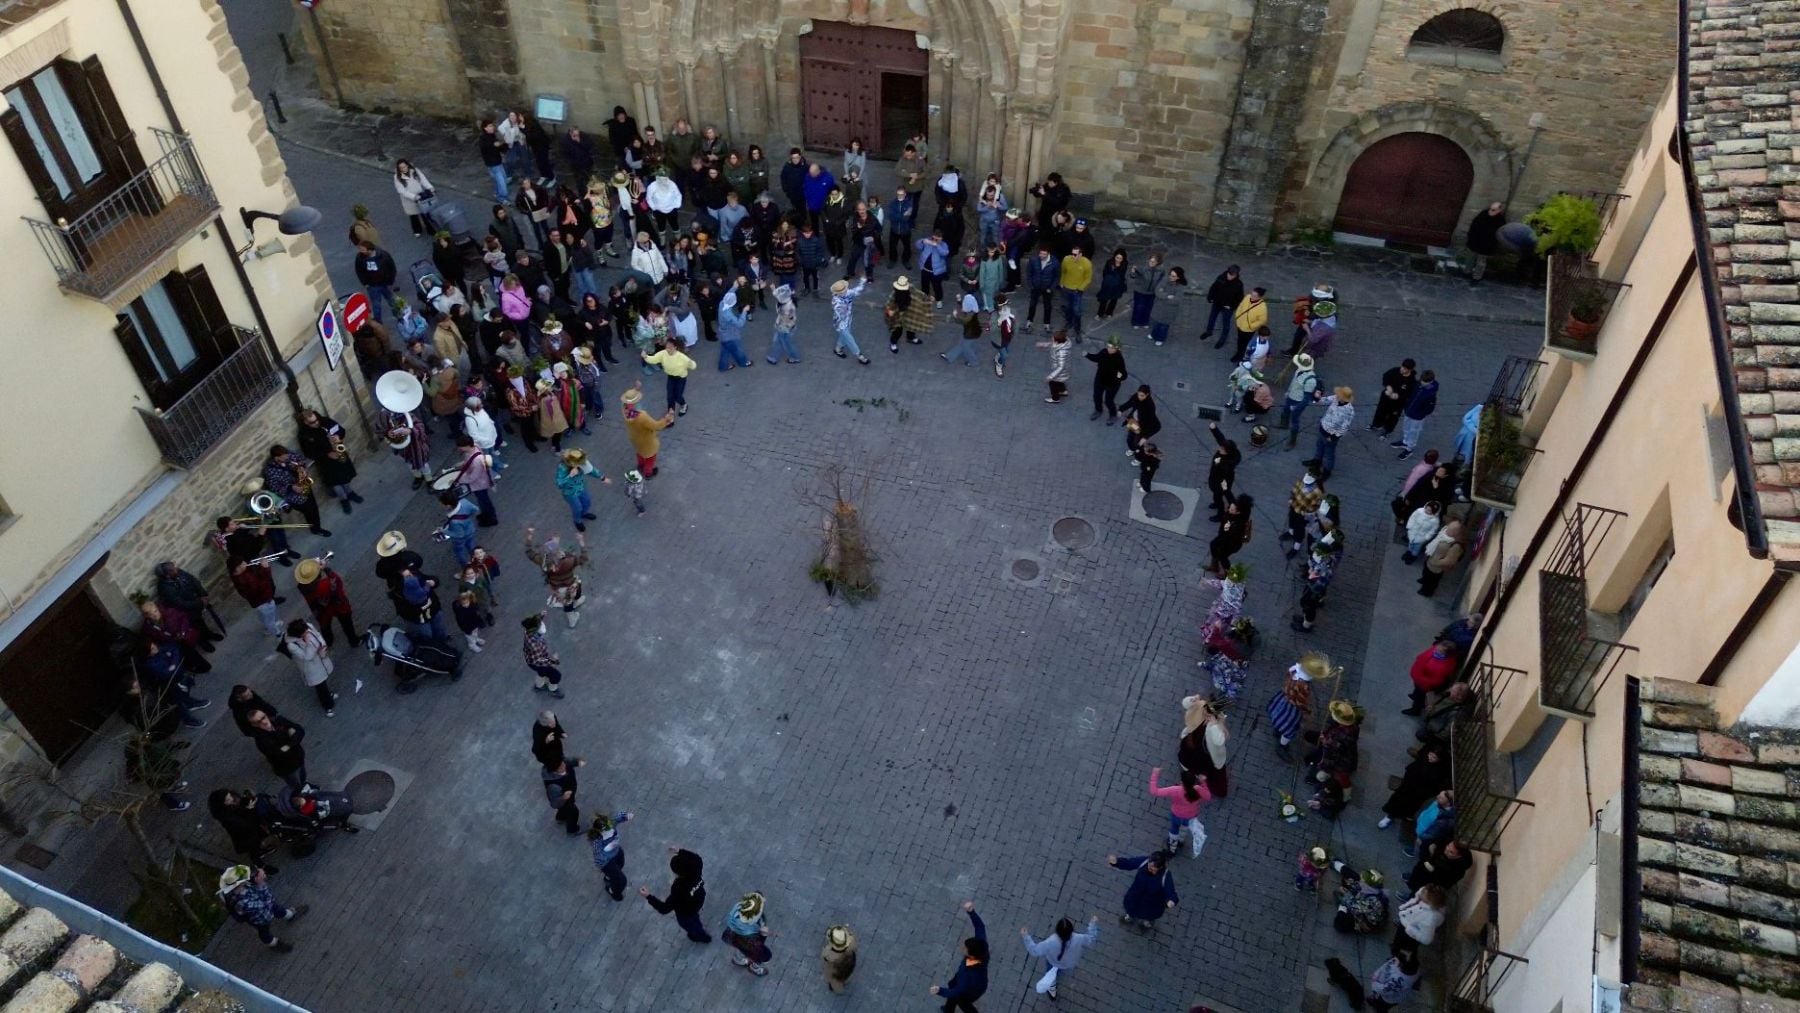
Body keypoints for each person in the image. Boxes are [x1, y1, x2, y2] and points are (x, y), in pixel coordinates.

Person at [219, 865, 306, 952]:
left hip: (262, 911)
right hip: (260, 918)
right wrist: (261, 883)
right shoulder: (244, 902)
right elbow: (267, 903)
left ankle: (290, 915)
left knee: (278, 910)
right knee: (264, 931)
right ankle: (273, 943)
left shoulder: (240, 889)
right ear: (239, 884)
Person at [296, 410, 364, 514]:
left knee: (345, 475)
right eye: (312, 422)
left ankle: (350, 493)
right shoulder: (304, 434)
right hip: (325, 461)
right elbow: (308, 452)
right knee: (335, 482)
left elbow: (341, 430)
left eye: (317, 420)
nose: (317, 423)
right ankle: (343, 499)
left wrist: (338, 436)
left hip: (339, 452)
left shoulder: (325, 421)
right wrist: (327, 453)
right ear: (305, 422)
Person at [640, 847, 711, 943]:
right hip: (699, 898)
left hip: (686, 912)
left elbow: (664, 908)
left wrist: (648, 896)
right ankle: (699, 931)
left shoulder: (679, 888)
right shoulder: (697, 868)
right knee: (694, 918)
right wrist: (680, 851)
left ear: (677, 873)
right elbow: (696, 858)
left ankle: (701, 936)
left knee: (691, 925)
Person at [1021, 915, 1099, 1000]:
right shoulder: (1079, 938)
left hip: (1053, 962)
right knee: (1060, 971)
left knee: (1051, 975)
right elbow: (1091, 939)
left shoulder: (1051, 941)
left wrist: (1026, 936)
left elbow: (1034, 951)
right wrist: (1093, 924)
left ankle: (1052, 989)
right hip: (1069, 964)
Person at [523, 527, 589, 628]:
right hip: (570, 585)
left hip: (557, 588)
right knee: (568, 603)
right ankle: (572, 619)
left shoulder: (544, 561)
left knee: (567, 599)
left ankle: (576, 602)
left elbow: (529, 553)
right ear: (558, 551)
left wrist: (529, 536)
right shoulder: (568, 561)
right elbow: (584, 558)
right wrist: (581, 541)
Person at [930, 901, 988, 1011]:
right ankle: (948, 1009)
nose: (962, 948)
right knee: (952, 984)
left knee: (963, 1003)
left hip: (972, 990)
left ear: (972, 956)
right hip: (966, 981)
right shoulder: (981, 946)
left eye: (965, 949)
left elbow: (956, 992)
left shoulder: (970, 976)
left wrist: (939, 990)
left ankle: (949, 1010)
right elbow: (980, 927)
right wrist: (971, 912)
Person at [280, 619, 345, 716]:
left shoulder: (307, 626)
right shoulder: (291, 645)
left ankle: (328, 694)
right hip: (311, 667)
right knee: (320, 686)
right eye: (305, 633)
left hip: (320, 659)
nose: (308, 632)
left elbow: (318, 635)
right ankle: (327, 706)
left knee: (323, 681)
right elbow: (307, 657)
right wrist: (309, 644)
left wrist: (323, 645)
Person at [1380, 743, 1449, 832]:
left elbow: (1436, 785)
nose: (1430, 758)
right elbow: (1411, 770)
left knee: (1411, 805)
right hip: (1408, 787)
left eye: (1434, 757)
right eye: (1430, 754)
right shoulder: (1423, 760)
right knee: (1398, 802)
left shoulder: (1439, 771)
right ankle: (1390, 816)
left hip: (1420, 793)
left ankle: (1406, 814)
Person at [263, 446, 330, 538]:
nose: (287, 458)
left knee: (313, 508)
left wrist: (301, 467)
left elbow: (300, 459)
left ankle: (315, 527)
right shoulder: (270, 471)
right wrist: (291, 487)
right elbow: (274, 488)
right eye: (284, 457)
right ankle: (316, 529)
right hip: (294, 497)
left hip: (304, 485)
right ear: (276, 457)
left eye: (287, 455)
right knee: (309, 511)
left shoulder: (289, 456)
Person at [1268, 652, 1328, 747]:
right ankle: (1282, 745)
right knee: (1289, 727)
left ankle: (1278, 730)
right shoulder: (1303, 686)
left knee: (1280, 717)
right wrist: (1307, 713)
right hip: (1292, 707)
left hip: (1284, 698)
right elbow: (1300, 703)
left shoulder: (1295, 669)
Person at [1108, 851, 1178, 931]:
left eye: (1153, 869)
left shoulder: (1166, 876)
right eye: (1149, 866)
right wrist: (1117, 861)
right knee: (1131, 908)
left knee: (1150, 915)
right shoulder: (1144, 861)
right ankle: (1129, 916)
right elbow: (1129, 863)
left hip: (1151, 904)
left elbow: (1170, 892)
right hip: (1135, 896)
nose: (1149, 869)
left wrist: (1171, 901)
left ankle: (1147, 922)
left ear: (1160, 868)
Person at [1150, 765, 1210, 853]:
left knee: (1174, 829)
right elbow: (1208, 796)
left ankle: (1172, 847)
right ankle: (1181, 841)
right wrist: (1203, 782)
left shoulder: (1175, 790)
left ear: (1182, 781)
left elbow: (1154, 791)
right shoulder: (1198, 790)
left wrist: (1155, 774)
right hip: (1190, 816)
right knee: (1184, 828)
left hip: (1176, 815)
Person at [246, 709, 308, 792]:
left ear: (266, 714)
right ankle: (300, 792)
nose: (264, 722)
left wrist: (289, 745)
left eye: (263, 717)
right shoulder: (261, 741)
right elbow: (281, 755)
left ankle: (304, 785)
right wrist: (292, 736)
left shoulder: (279, 720)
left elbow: (300, 730)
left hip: (299, 756)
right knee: (295, 784)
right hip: (287, 768)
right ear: (254, 725)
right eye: (258, 722)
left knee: (302, 775)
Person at [621, 386, 676, 477]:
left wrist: (636, 389)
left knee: (640, 452)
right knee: (650, 457)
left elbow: (628, 399)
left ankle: (641, 465)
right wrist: (667, 418)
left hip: (635, 438)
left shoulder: (624, 410)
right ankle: (648, 473)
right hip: (646, 441)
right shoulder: (642, 417)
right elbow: (656, 426)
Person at [1305, 386, 1356, 479]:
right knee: (1319, 446)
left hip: (1331, 435)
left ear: (1344, 398)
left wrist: (1333, 437)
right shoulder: (1335, 398)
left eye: (1339, 395)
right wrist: (1317, 397)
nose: (1336, 396)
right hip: (1323, 428)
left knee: (1329, 454)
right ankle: (1316, 461)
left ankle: (1327, 471)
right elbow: (1323, 400)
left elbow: (1344, 427)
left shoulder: (1349, 411)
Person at [555, 449, 610, 532]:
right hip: (570, 493)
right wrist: (570, 475)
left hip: (581, 487)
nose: (582, 464)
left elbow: (590, 470)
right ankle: (577, 521)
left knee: (587, 502)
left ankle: (584, 514)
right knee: (577, 508)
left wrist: (602, 477)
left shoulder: (580, 461)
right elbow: (559, 484)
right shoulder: (562, 468)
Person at [722, 891, 774, 976]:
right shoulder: (755, 926)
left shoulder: (737, 909)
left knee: (739, 948)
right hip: (749, 943)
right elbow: (759, 942)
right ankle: (755, 968)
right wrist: (764, 934)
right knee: (763, 956)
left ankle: (738, 960)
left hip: (733, 936)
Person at [1391, 885, 1447, 962]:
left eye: (1424, 892)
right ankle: (1396, 948)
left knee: (1405, 947)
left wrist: (1409, 929)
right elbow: (1420, 893)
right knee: (1398, 940)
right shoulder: (1426, 903)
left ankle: (1398, 958)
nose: (1422, 891)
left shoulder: (1430, 918)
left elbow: (1427, 939)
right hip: (1408, 923)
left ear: (1430, 902)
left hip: (1411, 934)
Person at [588, 809, 635, 901]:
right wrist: (608, 849)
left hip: (616, 852)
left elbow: (618, 817)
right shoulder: (597, 842)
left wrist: (626, 816)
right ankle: (612, 891)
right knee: (621, 881)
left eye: (610, 829)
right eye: (607, 831)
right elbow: (598, 857)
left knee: (621, 864)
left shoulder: (610, 825)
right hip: (606, 862)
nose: (611, 832)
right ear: (600, 832)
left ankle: (608, 877)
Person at [1331, 866, 1390, 935]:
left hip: (1364, 920)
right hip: (1362, 904)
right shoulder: (1372, 888)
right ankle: (1336, 863)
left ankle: (1341, 907)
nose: (1361, 880)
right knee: (1351, 876)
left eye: (1363, 881)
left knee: (1339, 924)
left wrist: (1346, 895)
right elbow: (1358, 886)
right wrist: (1350, 885)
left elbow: (1353, 906)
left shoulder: (1372, 901)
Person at [1405, 639, 1459, 715]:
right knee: (1417, 691)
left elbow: (1436, 681)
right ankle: (1416, 696)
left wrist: (1422, 682)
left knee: (1419, 695)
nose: (1436, 650)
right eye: (1437, 648)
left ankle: (1416, 710)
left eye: (1439, 650)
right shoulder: (1436, 651)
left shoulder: (1444, 667)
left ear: (1446, 654)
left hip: (1423, 684)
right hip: (1419, 680)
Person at [1395, 369, 1439, 460]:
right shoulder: (1419, 384)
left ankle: (1410, 448)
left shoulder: (1430, 394)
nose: (1422, 383)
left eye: (1425, 382)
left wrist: (1421, 414)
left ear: (1431, 381)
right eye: (1422, 381)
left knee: (1414, 431)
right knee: (1406, 427)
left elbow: (1429, 408)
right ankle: (1405, 441)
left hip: (1417, 416)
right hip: (1409, 410)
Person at [1282, 353, 1322, 450]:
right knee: (1285, 410)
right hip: (1291, 396)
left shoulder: (1311, 380)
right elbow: (1293, 381)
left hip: (1298, 402)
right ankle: (1283, 424)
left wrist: (1297, 407)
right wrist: (1288, 391)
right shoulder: (1299, 370)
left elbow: (1306, 398)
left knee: (1295, 421)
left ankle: (1292, 441)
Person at [1205, 493, 1253, 575]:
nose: (1229, 509)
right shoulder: (1234, 512)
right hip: (1223, 536)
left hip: (1232, 543)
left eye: (1231, 509)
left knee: (1222, 555)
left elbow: (1229, 533)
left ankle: (1226, 572)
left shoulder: (1238, 523)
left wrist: (1228, 519)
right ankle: (1214, 565)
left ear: (1238, 512)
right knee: (1213, 545)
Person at [1418, 518, 1466, 597]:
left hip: (1436, 567)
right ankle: (1424, 580)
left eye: (1450, 530)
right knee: (1426, 571)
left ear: (1456, 533)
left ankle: (1427, 591)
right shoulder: (1443, 533)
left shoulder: (1456, 546)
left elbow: (1449, 561)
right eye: (1448, 527)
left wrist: (1435, 562)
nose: (1447, 529)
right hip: (1430, 558)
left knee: (1432, 580)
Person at [1371, 359, 1419, 436]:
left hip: (1398, 403)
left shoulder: (1412, 382)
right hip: (1386, 397)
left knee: (1393, 416)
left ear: (1410, 370)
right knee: (1380, 410)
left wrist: (1398, 397)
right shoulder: (1395, 371)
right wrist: (1388, 386)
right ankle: (1376, 424)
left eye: (1405, 369)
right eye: (1402, 367)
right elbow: (1385, 377)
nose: (1402, 369)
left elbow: (1409, 395)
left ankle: (1388, 430)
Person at [885, 275, 932, 353]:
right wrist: (890, 311)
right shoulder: (895, 293)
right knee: (897, 330)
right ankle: (893, 342)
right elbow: (888, 304)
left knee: (912, 325)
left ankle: (910, 338)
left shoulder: (911, 288)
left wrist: (927, 297)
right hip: (899, 313)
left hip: (909, 310)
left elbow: (919, 293)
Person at [830, 278, 872, 364]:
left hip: (848, 319)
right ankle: (860, 356)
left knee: (844, 336)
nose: (846, 291)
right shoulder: (836, 302)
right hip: (841, 323)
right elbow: (841, 313)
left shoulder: (846, 293)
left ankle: (838, 349)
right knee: (850, 339)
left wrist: (862, 281)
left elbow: (856, 291)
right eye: (844, 291)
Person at [1086, 339, 1127, 422]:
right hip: (1100, 379)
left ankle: (1113, 415)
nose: (1109, 349)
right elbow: (1097, 358)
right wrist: (1087, 355)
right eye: (1109, 347)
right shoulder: (1104, 352)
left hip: (1112, 383)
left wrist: (1117, 376)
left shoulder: (1119, 359)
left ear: (1117, 349)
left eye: (1112, 348)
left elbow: (1123, 375)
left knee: (1108, 401)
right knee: (1096, 396)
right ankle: (1098, 410)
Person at [1201, 265, 1244, 344]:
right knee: (1211, 318)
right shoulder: (1221, 277)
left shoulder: (1238, 284)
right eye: (1229, 274)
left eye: (1232, 276)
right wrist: (1210, 298)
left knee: (1226, 323)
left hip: (1227, 307)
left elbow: (1239, 299)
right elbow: (1213, 288)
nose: (1230, 277)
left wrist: (1231, 306)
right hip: (1217, 303)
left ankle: (1223, 338)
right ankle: (1209, 331)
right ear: (1227, 271)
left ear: (1236, 275)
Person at [1205, 422, 1240, 519]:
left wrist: (1218, 462)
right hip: (1216, 478)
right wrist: (1214, 428)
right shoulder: (1229, 450)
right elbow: (1220, 438)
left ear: (1227, 452)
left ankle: (1220, 514)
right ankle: (1221, 503)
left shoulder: (1228, 462)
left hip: (1222, 481)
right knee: (1222, 493)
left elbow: (1223, 471)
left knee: (1220, 494)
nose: (1219, 448)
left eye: (1222, 448)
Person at [542, 755, 583, 835]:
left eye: (563, 764)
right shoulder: (553, 787)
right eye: (561, 768)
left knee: (564, 809)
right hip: (564, 799)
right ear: (555, 771)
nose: (564, 766)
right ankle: (572, 830)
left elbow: (567, 761)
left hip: (569, 792)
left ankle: (561, 818)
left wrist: (577, 762)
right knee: (573, 812)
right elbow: (554, 803)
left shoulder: (560, 762)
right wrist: (563, 797)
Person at [392, 159, 435, 237]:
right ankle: (417, 230)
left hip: (420, 196)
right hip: (409, 200)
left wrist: (430, 187)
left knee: (424, 214)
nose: (403, 169)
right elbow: (401, 190)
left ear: (407, 165)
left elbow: (423, 180)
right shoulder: (397, 177)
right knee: (413, 216)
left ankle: (430, 229)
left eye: (404, 167)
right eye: (401, 168)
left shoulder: (415, 171)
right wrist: (414, 197)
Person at [1467, 201, 1506, 284]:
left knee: (1481, 262)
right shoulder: (1483, 214)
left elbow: (1499, 234)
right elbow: (1474, 225)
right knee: (1470, 258)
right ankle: (1467, 272)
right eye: (1491, 209)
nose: (1491, 211)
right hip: (1475, 241)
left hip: (1487, 245)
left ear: (1499, 210)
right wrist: (1471, 237)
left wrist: (1493, 244)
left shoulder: (1500, 220)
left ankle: (1476, 277)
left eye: (1494, 210)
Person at [1058, 246, 1092, 337]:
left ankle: (1077, 330)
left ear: (1080, 254)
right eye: (1072, 253)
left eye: (1075, 254)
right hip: (1066, 288)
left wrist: (1080, 288)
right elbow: (1063, 271)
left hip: (1077, 290)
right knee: (1068, 308)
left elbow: (1088, 279)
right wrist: (1061, 282)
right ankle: (1069, 322)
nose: (1072, 256)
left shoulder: (1087, 263)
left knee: (1077, 311)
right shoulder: (1066, 259)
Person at [1230, 286, 1268, 360]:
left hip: (1249, 330)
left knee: (1245, 344)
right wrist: (1237, 316)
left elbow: (1262, 320)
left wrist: (1251, 326)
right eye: (1252, 294)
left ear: (1259, 297)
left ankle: (1242, 357)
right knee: (1239, 341)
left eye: (1254, 296)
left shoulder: (1262, 307)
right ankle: (1238, 354)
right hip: (1240, 325)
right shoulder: (1247, 297)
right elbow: (1241, 306)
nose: (1251, 296)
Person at [1039, 327, 1073, 403]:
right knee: (1060, 381)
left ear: (1057, 341)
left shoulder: (1061, 352)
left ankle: (1055, 398)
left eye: (1053, 338)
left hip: (1060, 371)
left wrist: (1051, 376)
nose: (1051, 338)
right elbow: (1052, 344)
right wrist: (1044, 345)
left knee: (1053, 383)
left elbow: (1061, 367)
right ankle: (1063, 391)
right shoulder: (1063, 343)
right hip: (1064, 371)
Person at [822, 924, 858, 994]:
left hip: (837, 971)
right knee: (847, 975)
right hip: (850, 964)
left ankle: (838, 991)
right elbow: (855, 948)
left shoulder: (828, 954)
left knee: (835, 982)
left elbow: (827, 967)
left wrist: (828, 978)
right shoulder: (852, 942)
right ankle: (847, 980)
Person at [1096, 249, 1129, 319]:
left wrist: (1116, 269)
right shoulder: (1109, 262)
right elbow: (1105, 272)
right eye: (1117, 258)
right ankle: (1100, 313)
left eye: (1120, 258)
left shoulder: (1124, 264)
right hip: (1108, 284)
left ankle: (1109, 312)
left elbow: (1122, 275)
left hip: (1117, 285)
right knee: (1104, 299)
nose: (1118, 260)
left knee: (1114, 300)